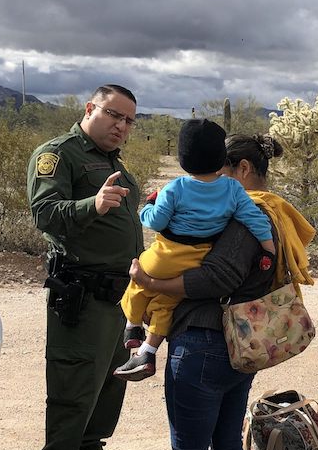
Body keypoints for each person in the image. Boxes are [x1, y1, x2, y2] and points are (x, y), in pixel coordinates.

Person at [128, 133, 314, 450]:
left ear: (241, 170)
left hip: (204, 345)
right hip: (236, 347)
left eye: (223, 171)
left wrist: (152, 285)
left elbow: (217, 277)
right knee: (226, 446)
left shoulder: (245, 216)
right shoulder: (268, 212)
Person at [27, 84, 144, 450]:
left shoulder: (113, 161)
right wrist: (91, 205)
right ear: (90, 108)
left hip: (118, 295)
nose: (122, 126)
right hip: (82, 292)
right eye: (115, 115)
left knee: (110, 379)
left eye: (130, 120)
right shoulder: (59, 154)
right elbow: (44, 213)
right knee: (74, 386)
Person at [114, 119, 275, 381]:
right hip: (198, 258)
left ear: (183, 159)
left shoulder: (175, 187)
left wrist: (147, 206)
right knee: (167, 301)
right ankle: (149, 349)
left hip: (166, 256)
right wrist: (269, 250)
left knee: (138, 281)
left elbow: (156, 221)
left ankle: (132, 327)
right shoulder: (233, 189)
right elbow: (254, 220)